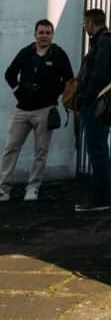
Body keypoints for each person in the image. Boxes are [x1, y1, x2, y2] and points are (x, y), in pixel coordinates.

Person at [0, 19, 73, 202]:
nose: (44, 36)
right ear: (35, 34)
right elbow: (9, 73)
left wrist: (56, 95)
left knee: (41, 152)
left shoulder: (59, 55)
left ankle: (33, 188)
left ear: (52, 35)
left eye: (48, 33)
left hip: (45, 110)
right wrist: (18, 91)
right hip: (22, 110)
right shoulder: (26, 52)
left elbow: (69, 80)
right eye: (41, 32)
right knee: (10, 148)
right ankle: (3, 188)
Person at [75, 8, 111, 212]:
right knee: (99, 150)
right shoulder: (105, 42)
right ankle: (101, 196)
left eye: (85, 23)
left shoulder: (103, 42)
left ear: (92, 22)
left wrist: (85, 98)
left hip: (96, 105)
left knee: (98, 151)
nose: (84, 26)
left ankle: (101, 198)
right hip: (98, 103)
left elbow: (98, 74)